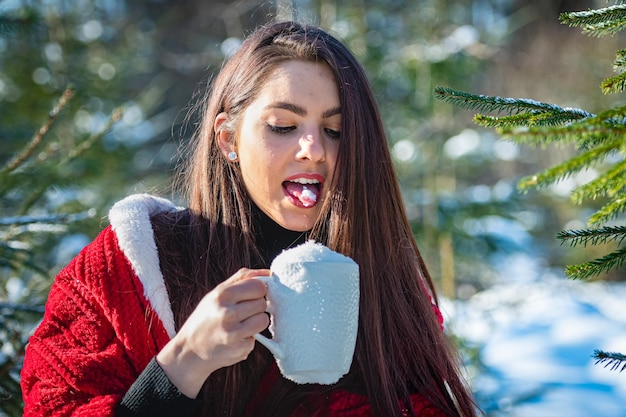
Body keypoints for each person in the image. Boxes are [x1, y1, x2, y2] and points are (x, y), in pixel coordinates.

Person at [21, 21, 479, 417]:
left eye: (336, 131)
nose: (314, 149)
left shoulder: (387, 288)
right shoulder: (127, 271)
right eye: (283, 126)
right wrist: (183, 363)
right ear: (228, 139)